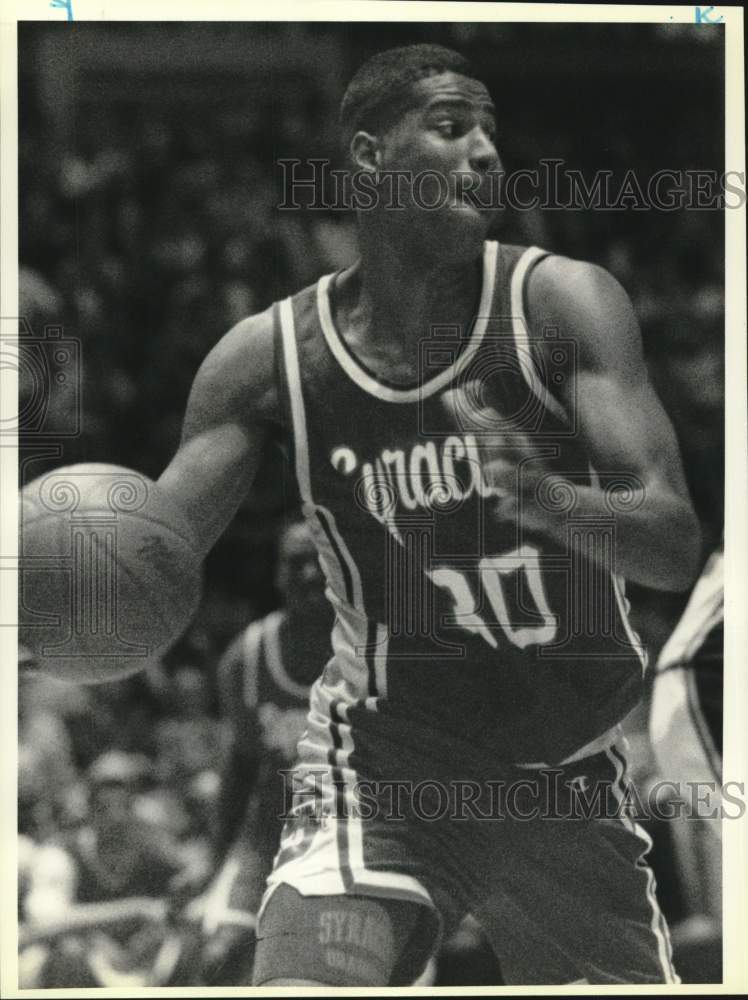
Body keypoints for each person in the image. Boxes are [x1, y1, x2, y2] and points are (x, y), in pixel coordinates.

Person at [156, 44, 700, 985]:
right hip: (381, 773)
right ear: (369, 158)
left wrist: (547, 499)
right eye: (452, 128)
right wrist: (55, 595)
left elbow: (672, 547)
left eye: (491, 131)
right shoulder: (265, 360)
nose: (485, 152)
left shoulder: (562, 303)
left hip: (561, 783)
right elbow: (148, 557)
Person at [192, 520, 332, 984]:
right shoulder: (247, 657)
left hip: (359, 838)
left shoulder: (376, 651)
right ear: (277, 574)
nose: (310, 573)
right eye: (296, 562)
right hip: (273, 838)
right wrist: (213, 860)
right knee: (222, 959)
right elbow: (240, 766)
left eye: (321, 560)